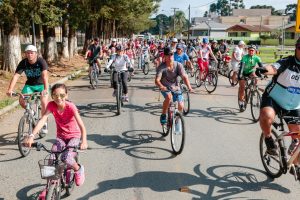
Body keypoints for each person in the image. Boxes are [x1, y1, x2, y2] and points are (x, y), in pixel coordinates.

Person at [24, 83, 88, 190]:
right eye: (55, 95)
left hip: (74, 136)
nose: (58, 98)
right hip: (61, 137)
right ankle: (49, 187)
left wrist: (84, 141)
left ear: (66, 95)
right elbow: (43, 120)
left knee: (66, 157)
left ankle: (78, 169)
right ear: (52, 96)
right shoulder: (51, 105)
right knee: (52, 157)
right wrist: (31, 136)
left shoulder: (71, 107)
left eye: (62, 95)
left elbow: (82, 126)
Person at [258, 38, 300, 161]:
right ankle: (268, 138)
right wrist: (264, 70)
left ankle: (295, 165)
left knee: (298, 138)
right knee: (266, 115)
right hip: (274, 99)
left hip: (293, 105)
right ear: (296, 48)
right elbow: (273, 68)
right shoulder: (287, 62)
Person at [6, 44, 49, 134]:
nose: (29, 55)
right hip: (29, 85)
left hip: (41, 85)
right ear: (25, 54)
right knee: (21, 100)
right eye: (27, 53)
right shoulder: (23, 63)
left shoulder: (41, 61)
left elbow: (45, 76)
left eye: (31, 53)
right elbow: (16, 76)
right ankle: (32, 112)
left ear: (36, 53)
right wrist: (10, 89)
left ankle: (44, 122)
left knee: (44, 102)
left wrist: (45, 89)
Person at [155, 47, 193, 124]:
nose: (170, 56)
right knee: (169, 97)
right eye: (168, 55)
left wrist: (189, 87)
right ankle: (163, 115)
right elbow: (157, 80)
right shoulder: (161, 67)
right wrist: (161, 86)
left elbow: (184, 77)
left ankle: (177, 120)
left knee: (181, 106)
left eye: (172, 54)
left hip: (176, 87)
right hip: (165, 88)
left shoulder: (178, 65)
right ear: (164, 56)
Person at [238, 45, 263, 111]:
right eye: (250, 50)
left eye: (252, 50)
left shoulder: (257, 58)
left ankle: (253, 89)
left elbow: (262, 67)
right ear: (248, 50)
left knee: (255, 78)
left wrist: (263, 74)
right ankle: (241, 103)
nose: (251, 51)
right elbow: (242, 67)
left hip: (250, 72)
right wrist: (240, 75)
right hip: (242, 72)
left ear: (255, 51)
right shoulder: (245, 57)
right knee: (242, 88)